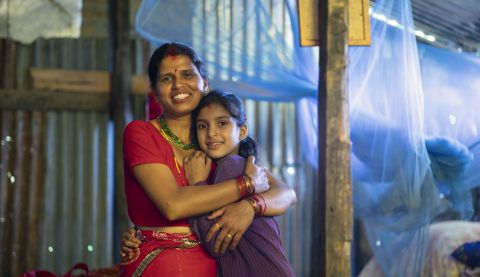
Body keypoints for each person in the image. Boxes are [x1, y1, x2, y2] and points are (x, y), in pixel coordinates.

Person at [120, 42, 296, 276]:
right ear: (154, 90)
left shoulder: (215, 142)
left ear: (205, 83)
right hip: (160, 263)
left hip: (220, 265)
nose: (178, 85)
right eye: (166, 79)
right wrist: (247, 185)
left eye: (187, 74)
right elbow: (173, 205)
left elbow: (287, 193)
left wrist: (250, 206)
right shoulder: (141, 134)